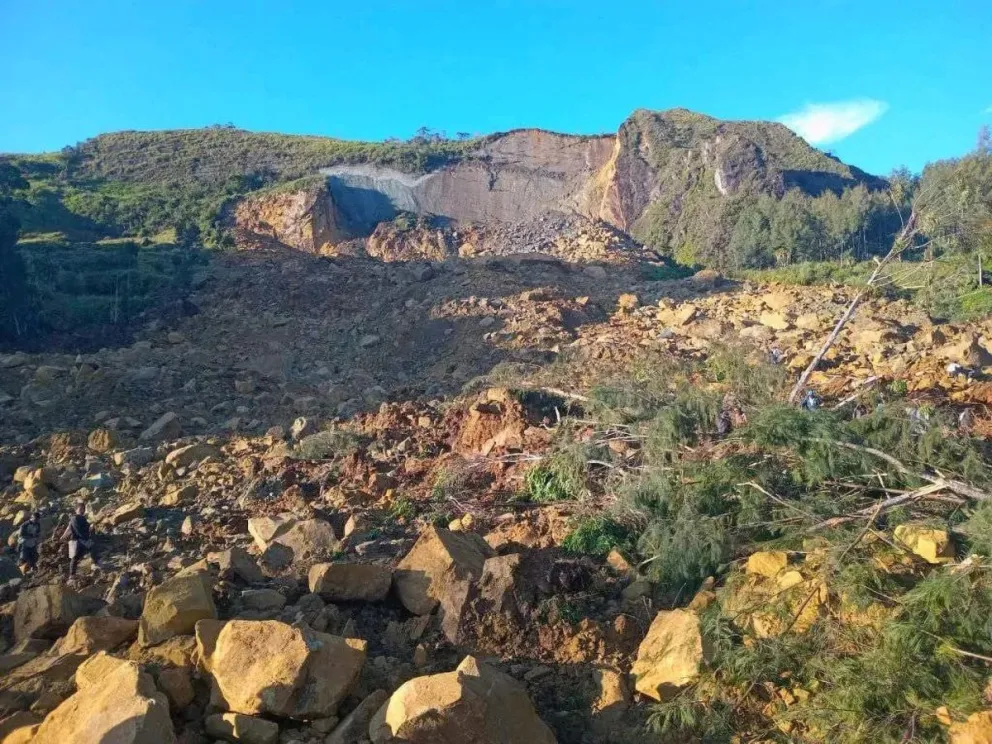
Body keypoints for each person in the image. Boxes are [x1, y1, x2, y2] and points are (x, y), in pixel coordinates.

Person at [61, 503, 94, 578]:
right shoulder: (78, 518)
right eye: (81, 509)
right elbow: (83, 529)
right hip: (79, 540)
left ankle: (72, 574)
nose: (82, 510)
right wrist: (90, 528)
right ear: (76, 510)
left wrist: (63, 536)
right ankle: (72, 574)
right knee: (76, 557)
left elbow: (69, 528)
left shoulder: (75, 518)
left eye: (83, 509)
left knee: (75, 557)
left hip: (76, 540)